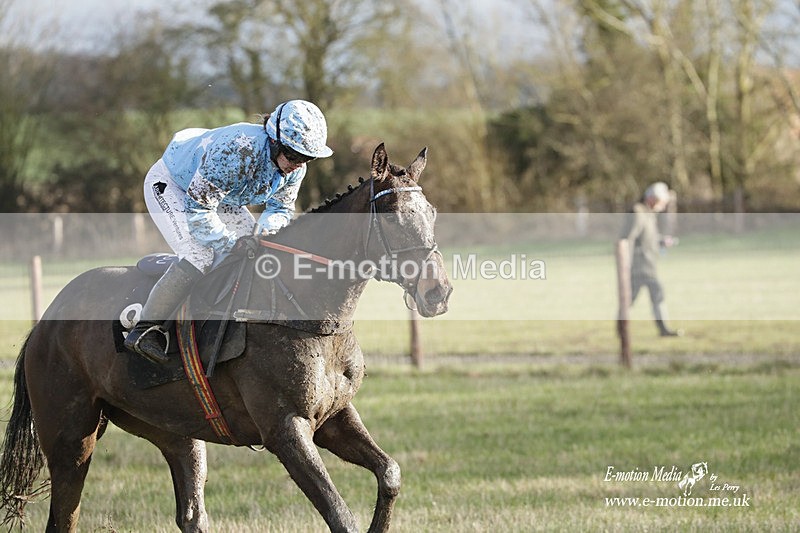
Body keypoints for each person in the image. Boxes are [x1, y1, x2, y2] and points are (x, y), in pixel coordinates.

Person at [125, 99, 334, 363]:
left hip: (220, 196)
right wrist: (230, 243)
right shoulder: (236, 152)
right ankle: (145, 329)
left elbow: (280, 209)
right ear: (274, 141)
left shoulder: (296, 168)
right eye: (293, 156)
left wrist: (264, 236)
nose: (298, 164)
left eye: (306, 158)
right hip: (174, 186)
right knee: (199, 255)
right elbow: (198, 210)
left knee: (257, 251)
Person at [618, 181, 681, 337]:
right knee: (629, 300)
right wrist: (626, 264)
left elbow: (647, 238)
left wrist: (661, 241)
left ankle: (662, 329)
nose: (663, 205)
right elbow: (627, 240)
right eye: (662, 202)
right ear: (652, 199)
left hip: (648, 265)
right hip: (638, 266)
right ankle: (622, 333)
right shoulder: (638, 213)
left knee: (654, 295)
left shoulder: (648, 214)